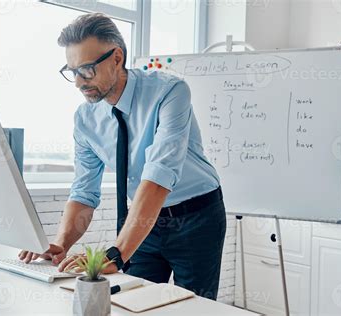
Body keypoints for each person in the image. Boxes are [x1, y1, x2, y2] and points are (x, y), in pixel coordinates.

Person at [19, 13, 226, 300]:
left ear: (117, 58)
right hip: (141, 221)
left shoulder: (170, 91)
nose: (78, 82)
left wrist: (116, 253)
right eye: (72, 71)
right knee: (132, 299)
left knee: (190, 305)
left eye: (87, 70)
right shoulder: (85, 118)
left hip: (195, 216)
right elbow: (83, 192)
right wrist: (61, 243)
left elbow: (158, 175)